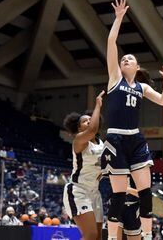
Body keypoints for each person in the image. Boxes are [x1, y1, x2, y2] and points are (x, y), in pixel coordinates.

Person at [102, 0, 163, 240]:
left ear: (137, 65)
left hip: (136, 139)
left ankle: (148, 235)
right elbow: (111, 42)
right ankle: (112, 237)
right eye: (123, 59)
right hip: (116, 139)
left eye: (129, 58)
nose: (125, 60)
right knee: (119, 194)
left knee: (145, 191)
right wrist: (119, 17)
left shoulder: (142, 87)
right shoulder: (114, 78)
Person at [62, 91, 105, 240]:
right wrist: (97, 106)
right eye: (85, 121)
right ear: (79, 128)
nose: (88, 122)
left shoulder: (102, 145)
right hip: (78, 190)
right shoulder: (79, 140)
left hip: (95, 192)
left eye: (90, 119)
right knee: (90, 235)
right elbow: (93, 129)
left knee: (98, 236)